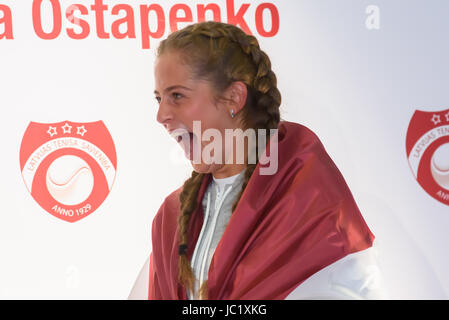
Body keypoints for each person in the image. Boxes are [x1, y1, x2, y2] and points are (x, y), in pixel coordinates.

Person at [129, 21, 386, 300]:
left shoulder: (310, 203)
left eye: (177, 95)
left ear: (234, 97)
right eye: (159, 99)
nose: (161, 115)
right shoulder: (172, 217)